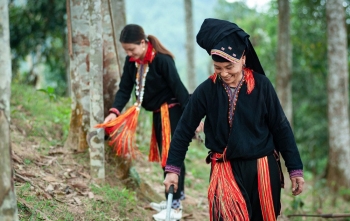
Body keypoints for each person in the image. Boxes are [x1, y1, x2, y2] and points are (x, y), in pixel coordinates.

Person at [163, 18, 305, 221]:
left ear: (243, 58)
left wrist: (294, 169)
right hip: (224, 169)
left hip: (261, 170)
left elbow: (280, 127)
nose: (224, 73)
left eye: (229, 66)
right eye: (217, 68)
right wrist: (173, 169)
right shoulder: (206, 90)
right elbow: (184, 128)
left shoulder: (262, 86)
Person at [99, 24, 190, 221]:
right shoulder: (132, 62)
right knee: (164, 158)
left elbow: (179, 88)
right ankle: (171, 200)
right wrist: (114, 112)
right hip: (158, 113)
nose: (129, 53)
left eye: (132, 49)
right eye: (126, 50)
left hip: (173, 112)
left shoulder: (163, 60)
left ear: (143, 43)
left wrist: (193, 116)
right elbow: (124, 89)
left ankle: (174, 207)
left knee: (172, 158)